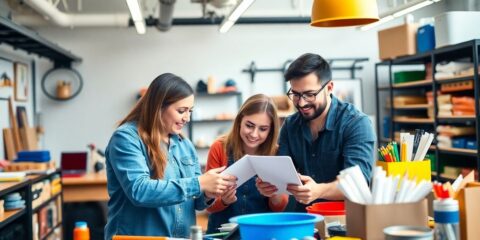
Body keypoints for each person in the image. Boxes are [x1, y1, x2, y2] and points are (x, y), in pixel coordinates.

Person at [104, 73, 236, 239]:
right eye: (181, 111)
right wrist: (199, 183)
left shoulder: (185, 145)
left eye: (190, 111)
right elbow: (139, 191)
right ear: (158, 106)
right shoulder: (126, 138)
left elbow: (196, 202)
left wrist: (211, 191)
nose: (187, 118)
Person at [256, 53, 376, 212]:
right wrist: (272, 188)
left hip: (344, 219)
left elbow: (357, 184)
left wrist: (319, 190)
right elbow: (282, 177)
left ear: (329, 88)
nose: (302, 103)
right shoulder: (290, 125)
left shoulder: (356, 124)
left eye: (310, 94)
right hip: (304, 217)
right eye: (296, 94)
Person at [205, 94, 289, 233]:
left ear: (271, 130)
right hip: (222, 233)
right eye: (249, 126)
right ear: (239, 121)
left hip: (261, 232)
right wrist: (223, 201)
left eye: (263, 129)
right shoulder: (219, 148)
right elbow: (208, 206)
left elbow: (279, 207)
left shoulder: (277, 153)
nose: (254, 134)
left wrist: (275, 195)